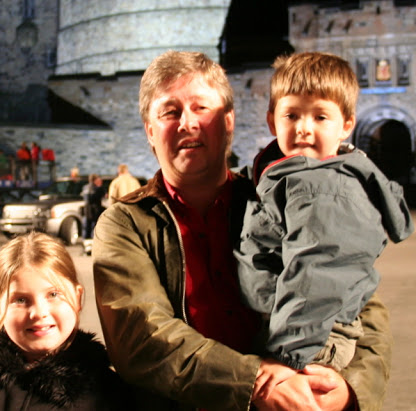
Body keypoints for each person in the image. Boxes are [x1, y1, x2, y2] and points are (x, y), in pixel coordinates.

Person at [92, 50, 393, 411]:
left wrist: (349, 389)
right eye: (170, 112)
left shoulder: (285, 199)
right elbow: (143, 339)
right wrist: (256, 383)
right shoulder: (125, 223)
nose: (187, 123)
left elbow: (363, 307)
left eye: (201, 108)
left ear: (229, 121)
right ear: (150, 131)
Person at [234, 51, 414, 399]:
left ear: (346, 124)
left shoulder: (324, 186)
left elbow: (319, 275)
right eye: (292, 115)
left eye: (320, 116)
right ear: (272, 122)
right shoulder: (292, 174)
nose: (304, 127)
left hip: (310, 342)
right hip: (301, 331)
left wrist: (287, 359)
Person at [0, 231, 131, 410]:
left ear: (77, 298)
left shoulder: (106, 391)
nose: (38, 313)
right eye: (20, 300)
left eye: (54, 295)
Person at [82, 174, 106, 240]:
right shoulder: (99, 189)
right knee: (95, 227)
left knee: (86, 228)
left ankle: (86, 241)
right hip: (96, 210)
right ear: (95, 180)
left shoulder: (85, 188)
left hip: (87, 210)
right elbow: (104, 197)